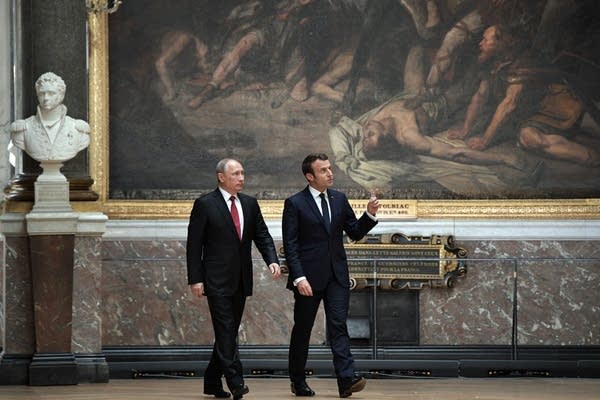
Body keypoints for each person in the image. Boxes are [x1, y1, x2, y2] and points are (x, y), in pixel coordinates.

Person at [283, 153, 379, 398]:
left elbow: (355, 233)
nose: (330, 173)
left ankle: (346, 379)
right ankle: (297, 380)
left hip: (337, 276)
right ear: (310, 176)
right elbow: (290, 245)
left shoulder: (339, 199)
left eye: (329, 168)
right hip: (307, 280)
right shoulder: (294, 203)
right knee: (303, 329)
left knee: (338, 326)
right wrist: (298, 278)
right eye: (323, 170)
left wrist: (369, 215)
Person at [186, 158, 281, 400]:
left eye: (242, 173)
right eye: (236, 174)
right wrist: (195, 279)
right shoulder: (205, 204)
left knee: (227, 331)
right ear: (221, 177)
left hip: (241, 279)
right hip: (214, 279)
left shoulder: (249, 203)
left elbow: (262, 234)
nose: (241, 178)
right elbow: (194, 245)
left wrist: (272, 259)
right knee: (227, 329)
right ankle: (236, 382)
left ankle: (211, 381)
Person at [10, 72, 90, 163]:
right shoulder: (23, 130)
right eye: (41, 94)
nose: (46, 98)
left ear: (61, 96)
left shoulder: (77, 129)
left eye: (51, 93)